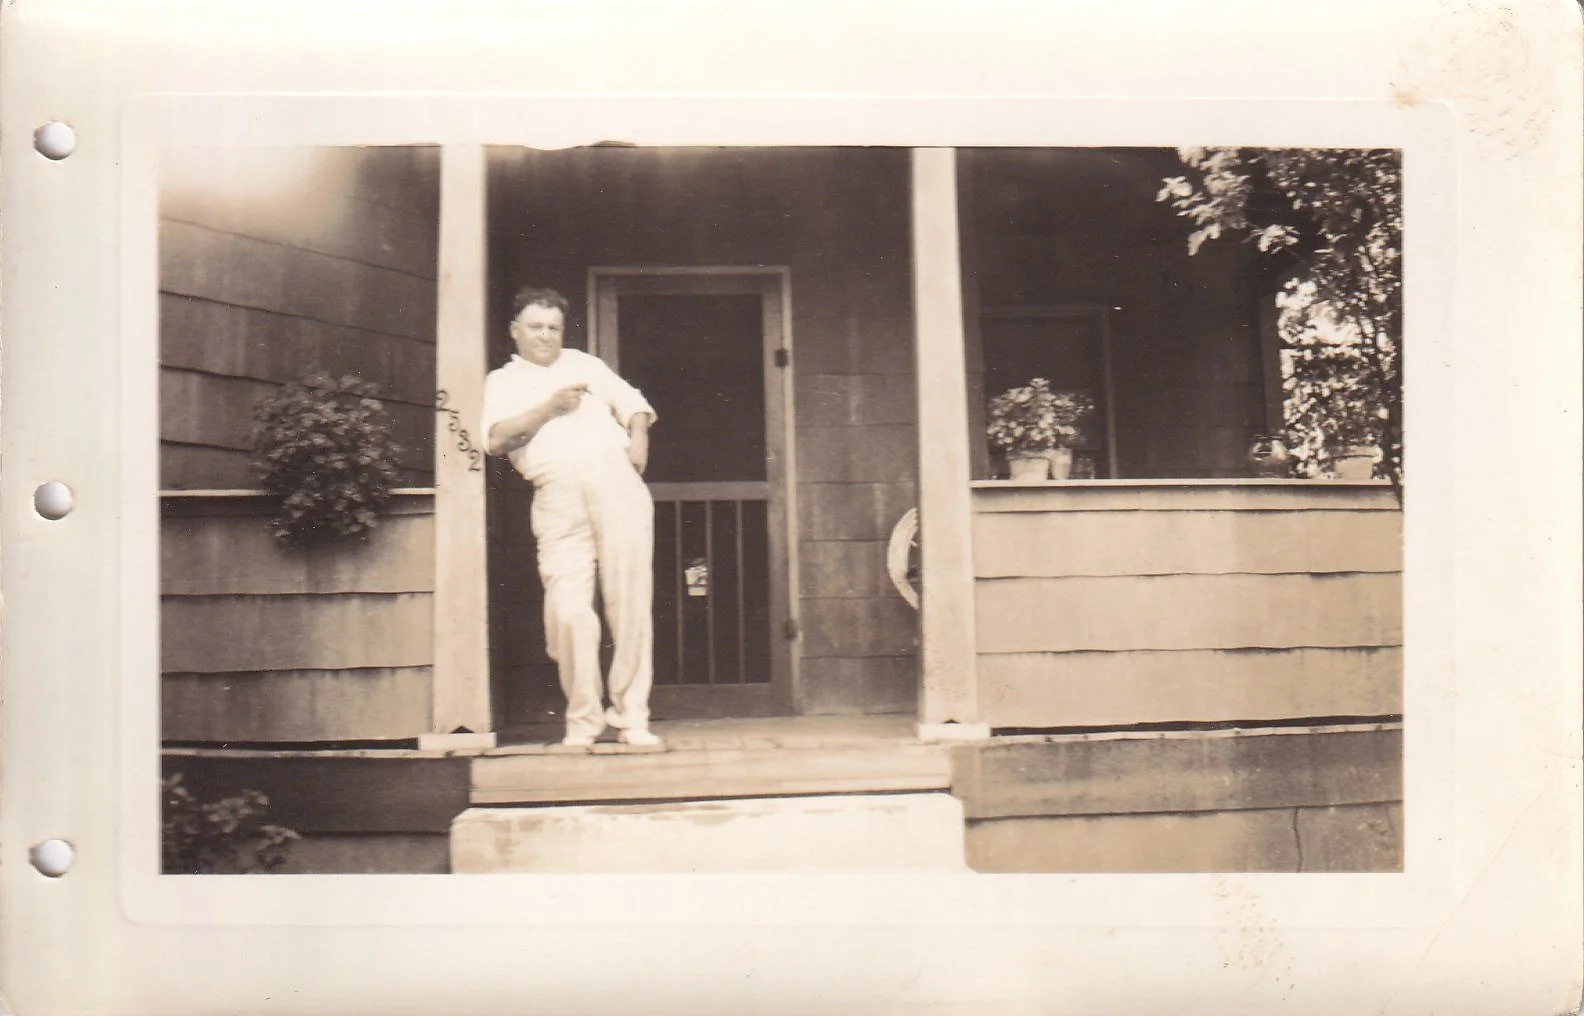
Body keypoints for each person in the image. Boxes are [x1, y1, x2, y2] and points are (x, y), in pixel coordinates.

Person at [481, 287, 661, 748]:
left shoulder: (585, 365)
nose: (545, 335)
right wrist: (549, 409)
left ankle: (631, 716)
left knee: (630, 603)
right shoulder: (502, 381)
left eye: (553, 328)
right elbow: (498, 440)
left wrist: (637, 440)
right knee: (569, 610)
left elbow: (634, 402)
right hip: (556, 491)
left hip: (615, 480)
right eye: (536, 326)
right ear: (515, 330)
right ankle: (583, 721)